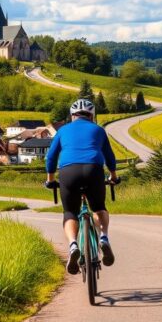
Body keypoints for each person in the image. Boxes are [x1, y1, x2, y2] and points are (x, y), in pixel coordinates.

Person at [45, 98, 118, 275]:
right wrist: (113, 176)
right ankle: (104, 238)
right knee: (99, 207)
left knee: (70, 212)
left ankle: (73, 246)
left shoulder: (63, 130)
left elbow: (51, 157)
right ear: (92, 116)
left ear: (72, 116)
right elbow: (109, 156)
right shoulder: (98, 130)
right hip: (94, 170)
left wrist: (50, 179)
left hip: (69, 172)